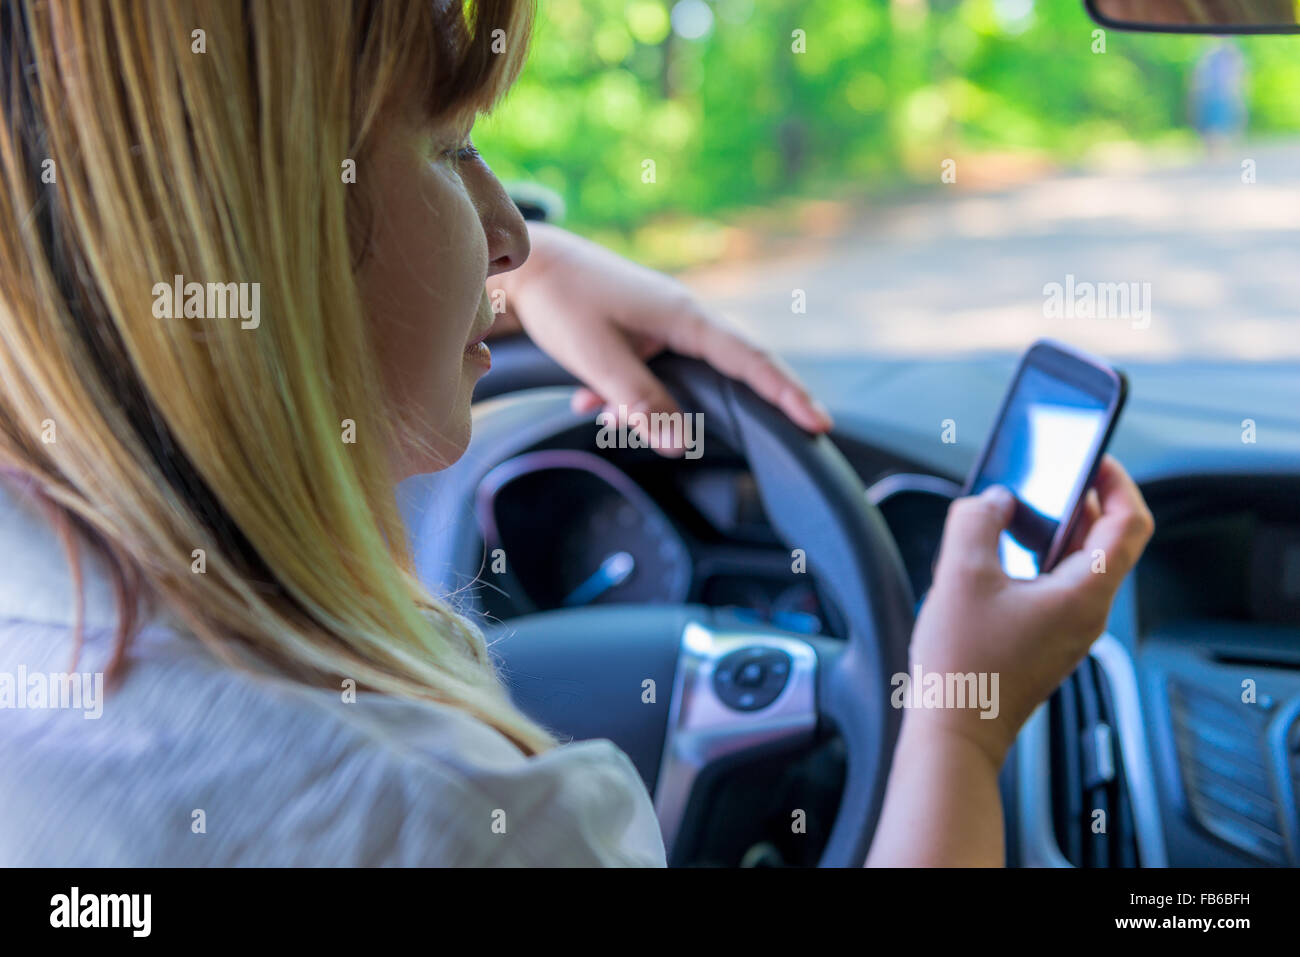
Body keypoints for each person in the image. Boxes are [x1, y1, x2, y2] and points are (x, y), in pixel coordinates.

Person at [0, 0, 1153, 866]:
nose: (512, 234)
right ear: (266, 229)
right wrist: (960, 719)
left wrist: (514, 276)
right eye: (454, 151)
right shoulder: (443, 816)